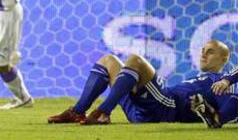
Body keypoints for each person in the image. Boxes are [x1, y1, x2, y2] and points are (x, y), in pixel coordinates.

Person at [48, 40, 237, 126]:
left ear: (224, 58)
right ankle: (77, 112)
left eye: (210, 51)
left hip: (167, 107)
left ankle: (103, 112)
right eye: (203, 50)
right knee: (109, 61)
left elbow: (226, 111)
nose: (203, 53)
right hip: (145, 109)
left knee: (136, 61)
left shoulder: (223, 83)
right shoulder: (200, 78)